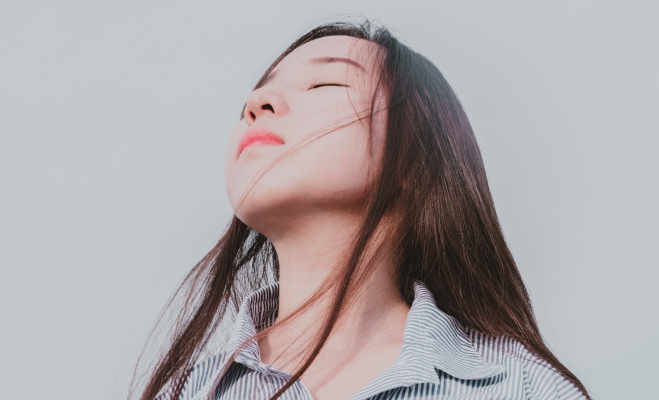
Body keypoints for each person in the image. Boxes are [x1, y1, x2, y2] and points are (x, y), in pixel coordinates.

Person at [131, 20, 591, 400]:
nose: (257, 104)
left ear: (413, 155)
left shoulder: (524, 388)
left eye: (323, 82)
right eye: (254, 98)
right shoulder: (186, 392)